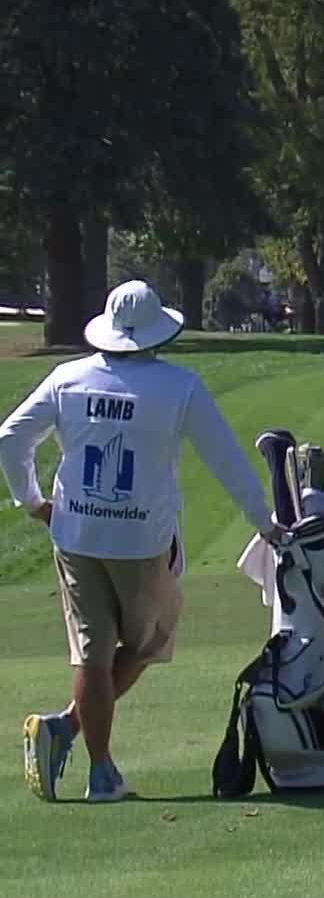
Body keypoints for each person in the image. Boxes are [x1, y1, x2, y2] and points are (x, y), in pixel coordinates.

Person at [0, 280, 283, 803]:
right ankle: (85, 753)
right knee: (150, 641)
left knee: (91, 652)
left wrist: (33, 502)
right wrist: (263, 519)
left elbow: (11, 437)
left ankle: (84, 749)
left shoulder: (68, 377)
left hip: (77, 533)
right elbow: (225, 457)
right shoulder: (179, 387)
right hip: (142, 541)